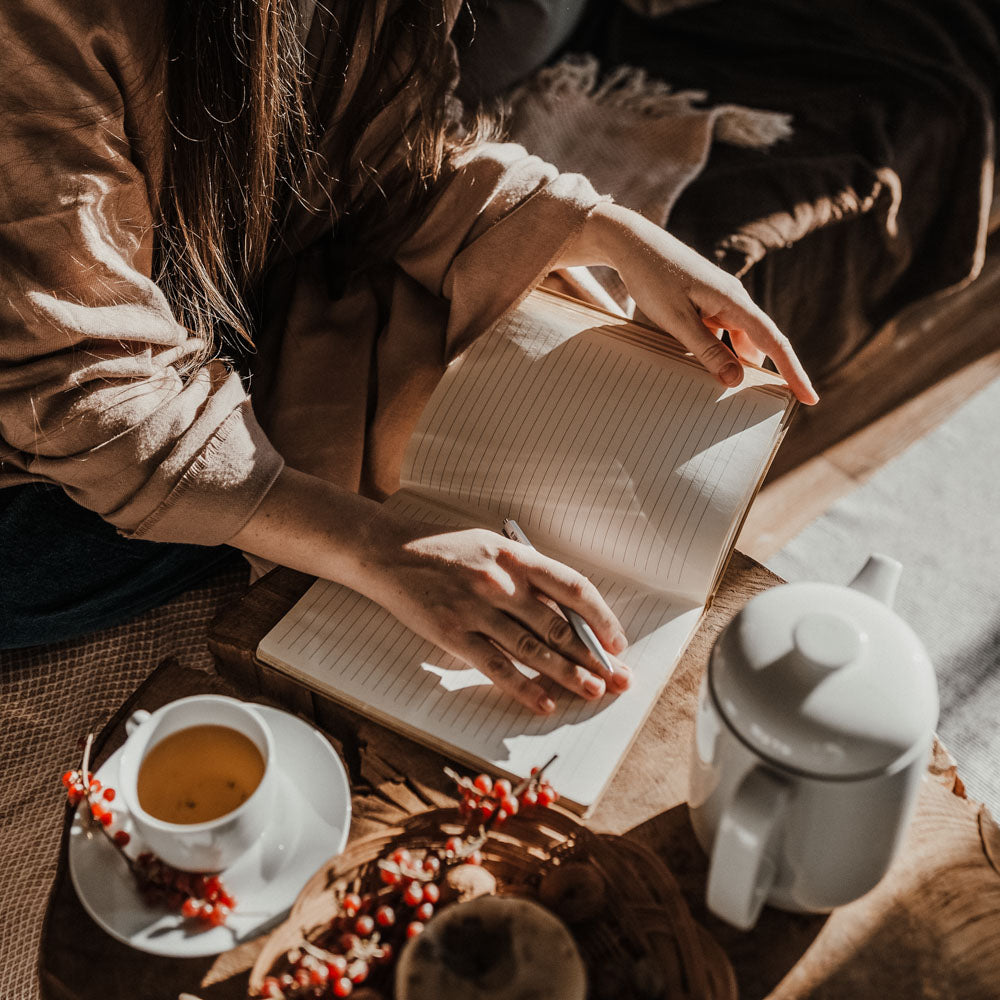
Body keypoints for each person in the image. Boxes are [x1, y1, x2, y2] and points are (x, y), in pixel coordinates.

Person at [0, 0, 817, 712]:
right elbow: (76, 390)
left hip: (189, 320)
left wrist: (596, 225)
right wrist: (377, 548)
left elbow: (363, 163)